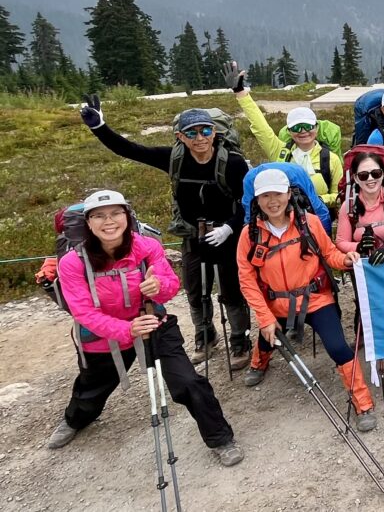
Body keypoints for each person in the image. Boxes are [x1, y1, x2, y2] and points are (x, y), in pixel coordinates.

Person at [46, 190, 243, 466]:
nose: (109, 221)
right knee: (92, 388)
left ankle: (221, 438)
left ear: (127, 216)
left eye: (116, 213)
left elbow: (170, 284)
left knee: (188, 382)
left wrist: (159, 286)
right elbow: (83, 311)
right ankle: (74, 419)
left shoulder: (146, 246)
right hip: (105, 336)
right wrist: (127, 330)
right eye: (99, 216)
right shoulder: (72, 263)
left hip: (152, 321)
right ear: (88, 223)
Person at [80, 99, 251, 369]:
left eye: (205, 131)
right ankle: (204, 335)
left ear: (214, 132)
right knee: (195, 289)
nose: (200, 138)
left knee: (231, 288)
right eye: (192, 133)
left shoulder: (234, 164)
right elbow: (129, 150)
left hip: (228, 235)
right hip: (193, 235)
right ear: (180, 136)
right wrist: (99, 127)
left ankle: (240, 339)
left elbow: (247, 202)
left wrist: (229, 228)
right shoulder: (174, 159)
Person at [236, 169, 377, 431]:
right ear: (257, 200)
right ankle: (259, 362)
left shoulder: (308, 222)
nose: (272, 201)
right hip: (276, 305)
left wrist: (346, 260)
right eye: (265, 196)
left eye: (277, 194)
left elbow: (330, 253)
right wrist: (265, 318)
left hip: (316, 299)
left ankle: (363, 402)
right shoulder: (249, 235)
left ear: (289, 194)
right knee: (269, 335)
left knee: (338, 348)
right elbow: (247, 281)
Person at [228, 63, 342, 213]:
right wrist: (240, 93)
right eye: (296, 127)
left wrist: (316, 200)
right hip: (281, 220)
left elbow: (340, 195)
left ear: (317, 128)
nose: (303, 132)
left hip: (317, 221)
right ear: (288, 131)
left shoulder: (330, 159)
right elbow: (260, 127)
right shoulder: (280, 152)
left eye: (308, 126)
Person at [335, 149, 384, 336]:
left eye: (375, 174)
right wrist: (358, 247)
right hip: (363, 266)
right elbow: (341, 241)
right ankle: (366, 335)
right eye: (363, 175)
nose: (370, 179)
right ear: (355, 178)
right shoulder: (348, 207)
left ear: (383, 175)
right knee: (365, 301)